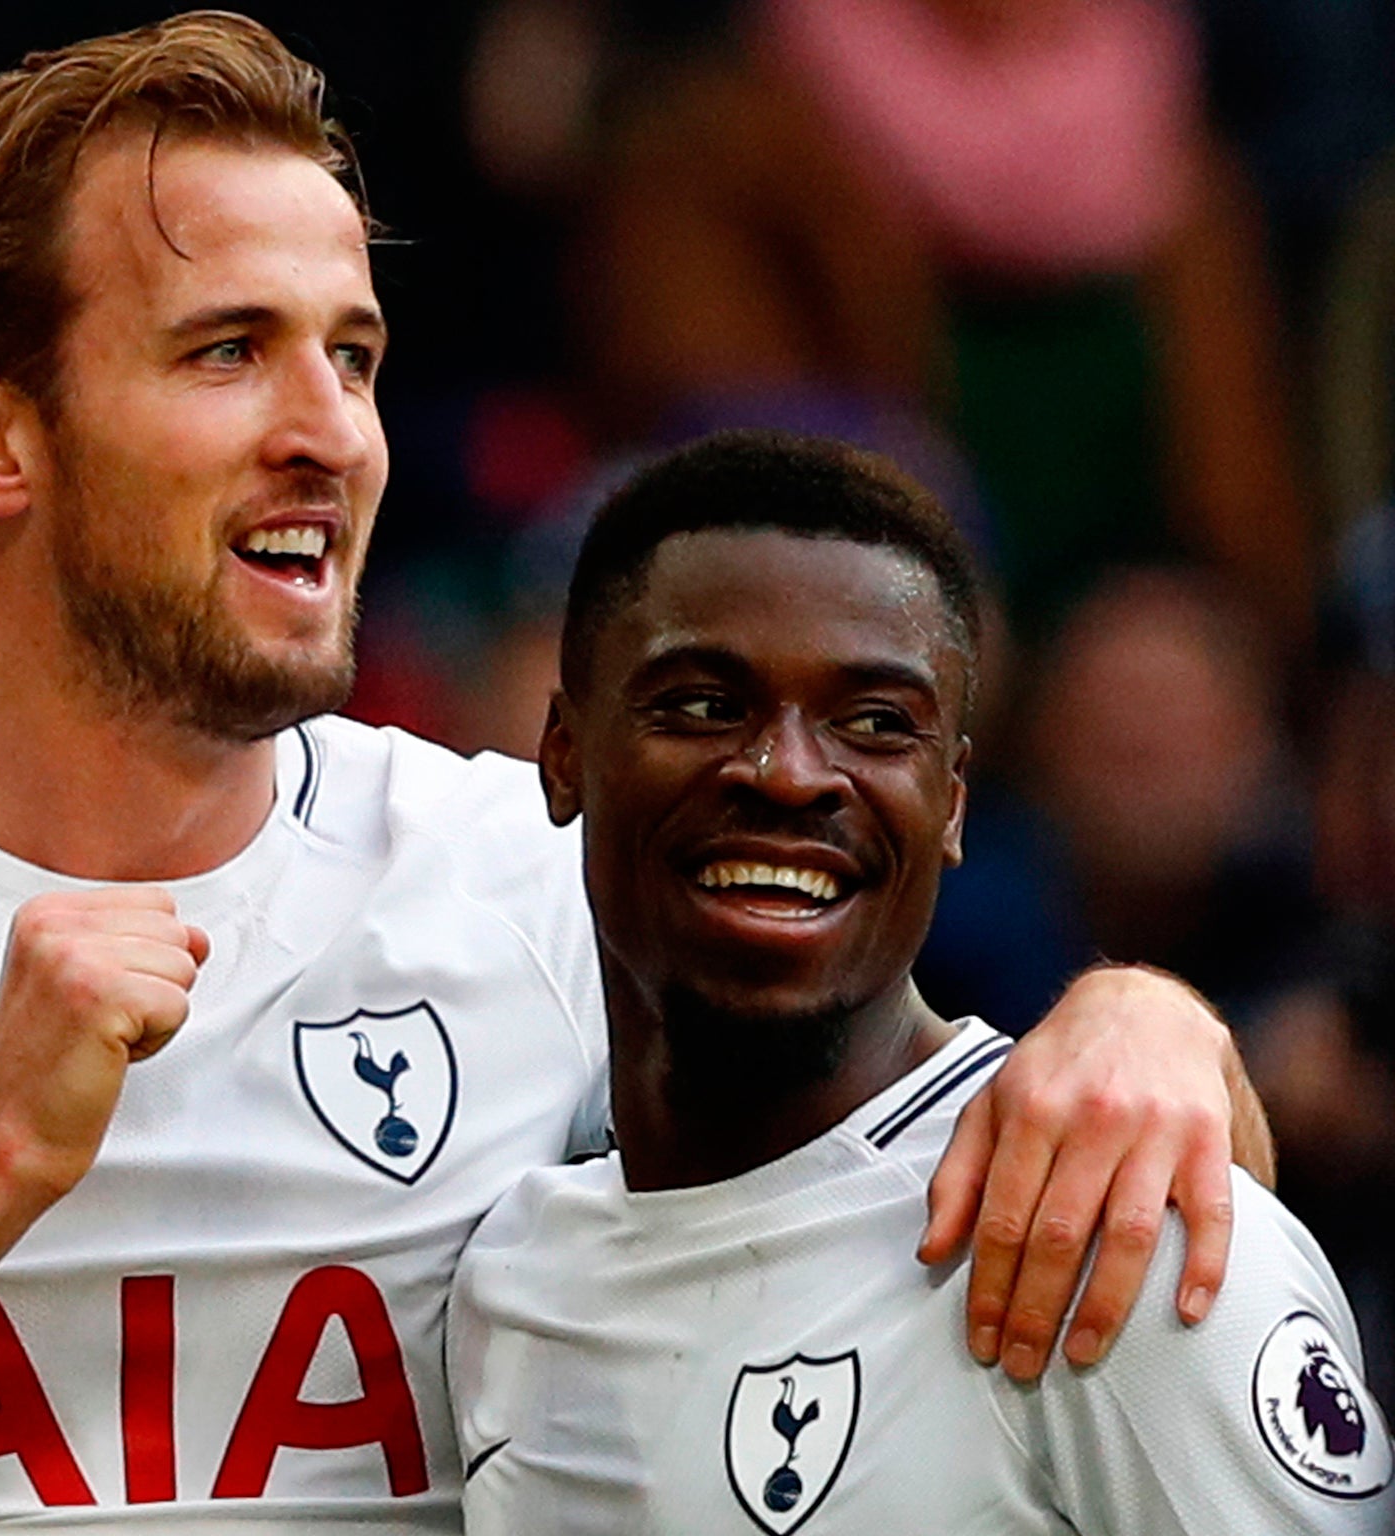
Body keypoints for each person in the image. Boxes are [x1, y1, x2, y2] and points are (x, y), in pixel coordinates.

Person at [0, 15, 1264, 1536]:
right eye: (228, 353)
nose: (330, 436)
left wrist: (1146, 1032)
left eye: (353, 356)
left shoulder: (521, 867)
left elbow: (1069, 1174)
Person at [450, 430, 1390, 1533]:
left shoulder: (1110, 1227)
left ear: (949, 803)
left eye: (874, 723)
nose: (789, 774)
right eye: (703, 704)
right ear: (562, 753)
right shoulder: (507, 1274)